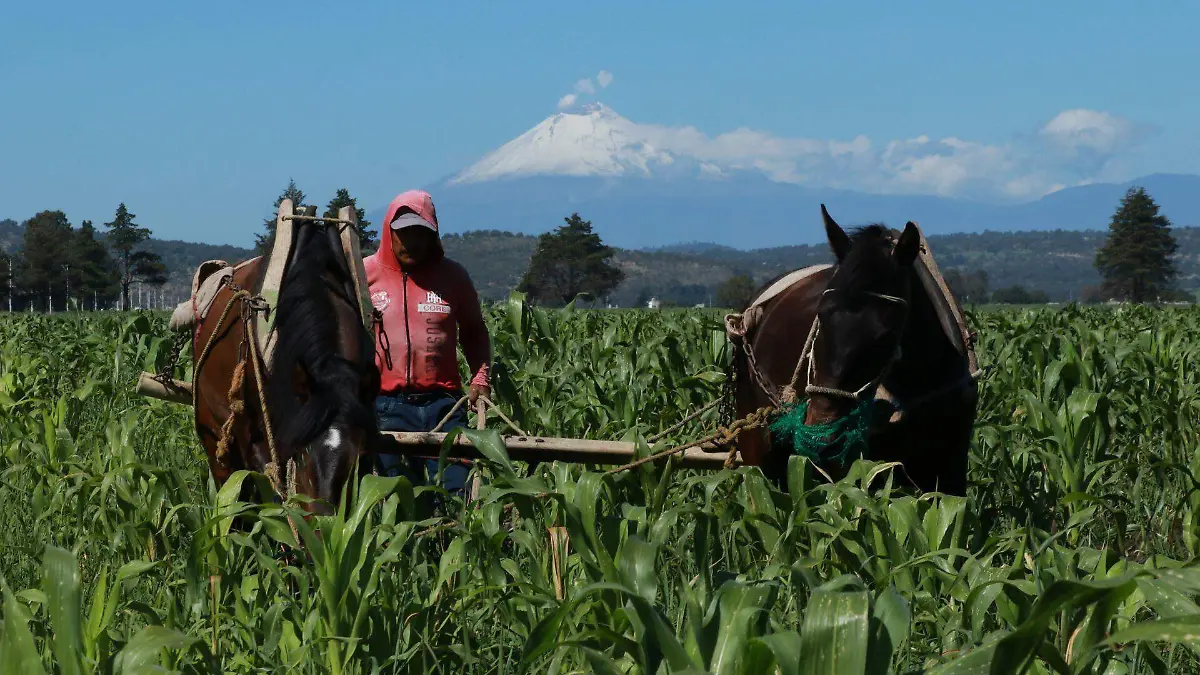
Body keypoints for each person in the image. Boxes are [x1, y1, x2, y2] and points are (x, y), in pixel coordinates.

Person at [364, 189, 492, 497]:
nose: (413, 242)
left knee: (454, 497)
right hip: (384, 406)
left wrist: (481, 377)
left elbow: (474, 331)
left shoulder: (453, 277)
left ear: (433, 235)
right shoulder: (364, 275)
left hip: (444, 406)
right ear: (388, 231)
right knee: (391, 500)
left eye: (421, 234)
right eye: (404, 233)